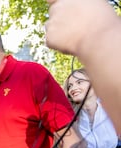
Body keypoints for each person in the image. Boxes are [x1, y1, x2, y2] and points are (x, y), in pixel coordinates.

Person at [45, 0, 121, 133]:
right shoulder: (67, 120)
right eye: (70, 85)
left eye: (80, 82)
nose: (73, 88)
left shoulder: (110, 114)